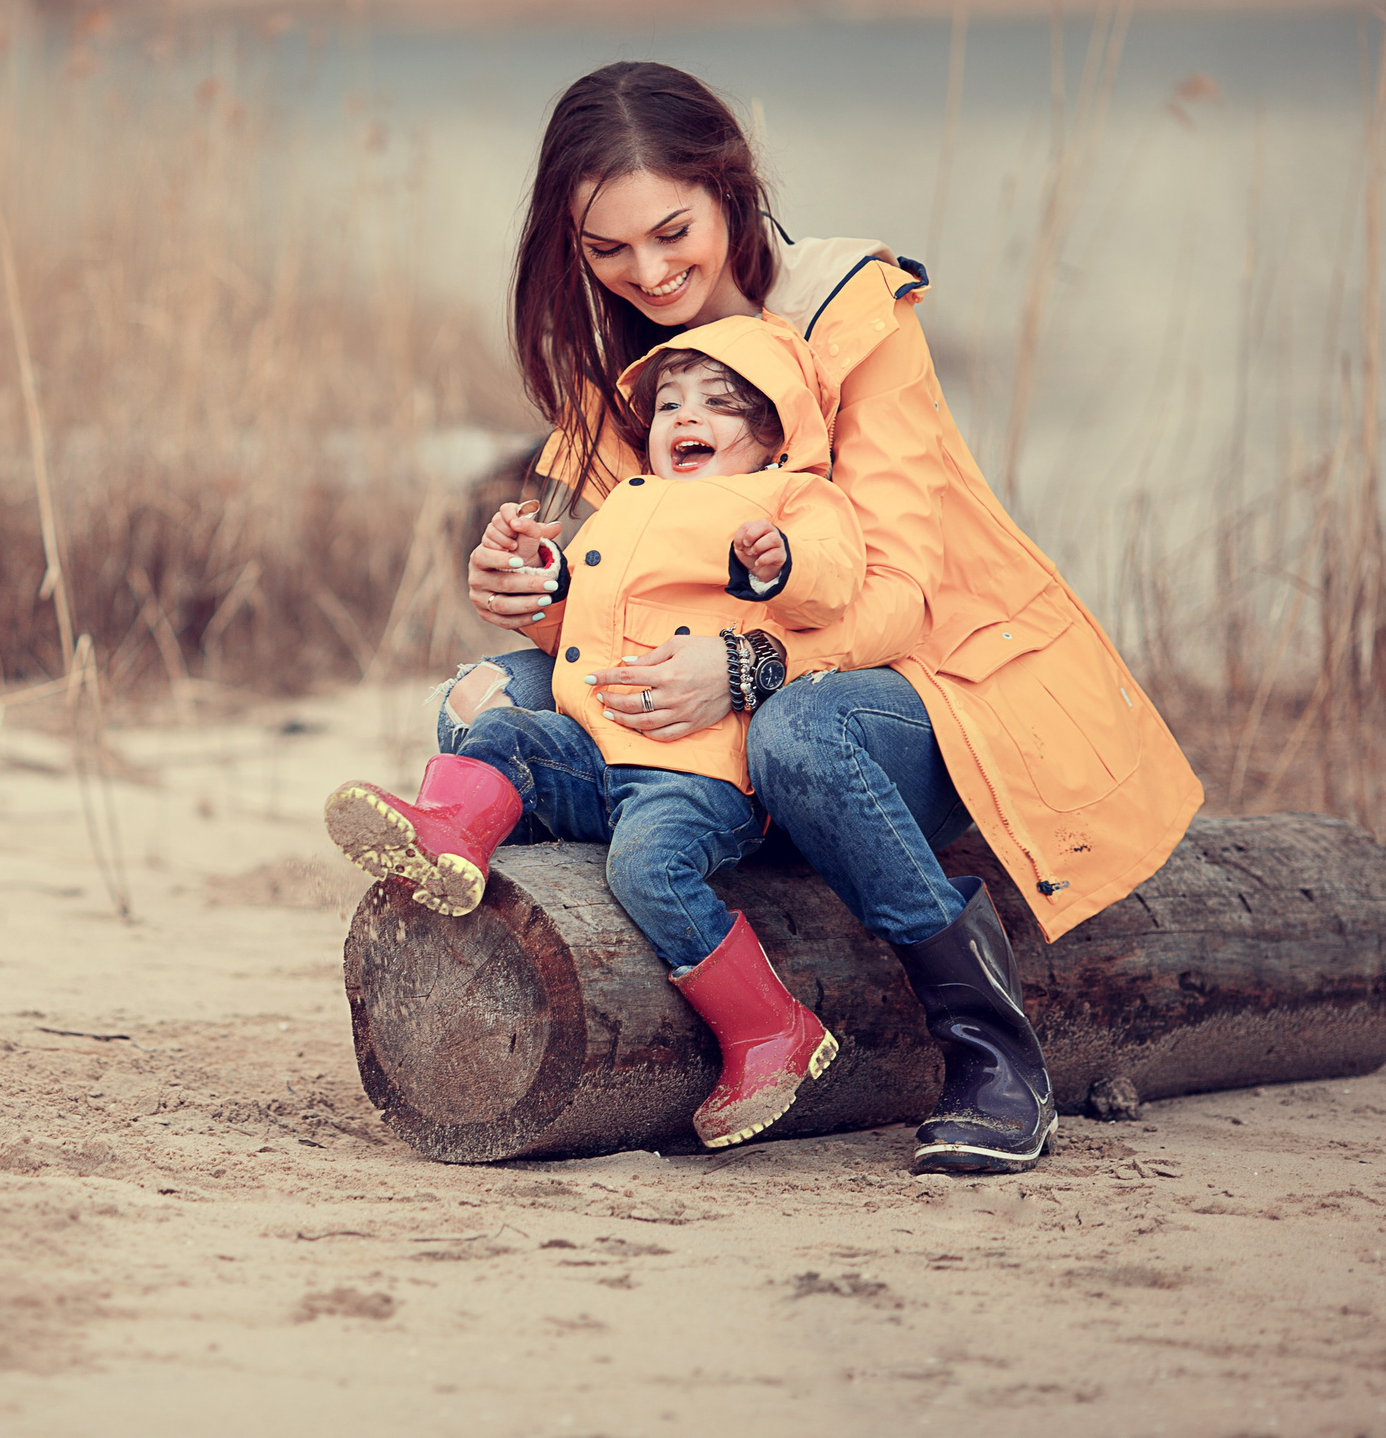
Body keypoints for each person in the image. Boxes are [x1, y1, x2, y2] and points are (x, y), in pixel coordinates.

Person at [436, 61, 1203, 1176]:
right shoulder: (625, 374)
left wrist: (748, 669)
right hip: (712, 735)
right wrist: (534, 602)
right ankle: (616, 928)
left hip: (920, 701)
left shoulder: (850, 315)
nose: (647, 273)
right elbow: (629, 615)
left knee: (805, 729)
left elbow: (897, 595)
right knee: (486, 693)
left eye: (670, 232)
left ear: (729, 189)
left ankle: (993, 1056)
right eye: (607, 251)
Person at [328, 316, 867, 1150]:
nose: (687, 417)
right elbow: (584, 613)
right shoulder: (631, 505)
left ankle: (771, 1030)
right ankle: (449, 837)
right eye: (671, 403)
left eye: (720, 405)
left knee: (647, 865)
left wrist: (781, 560)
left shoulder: (791, 499)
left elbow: (837, 580)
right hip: (597, 745)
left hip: (697, 771)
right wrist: (536, 572)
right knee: (510, 731)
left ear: (772, 435)